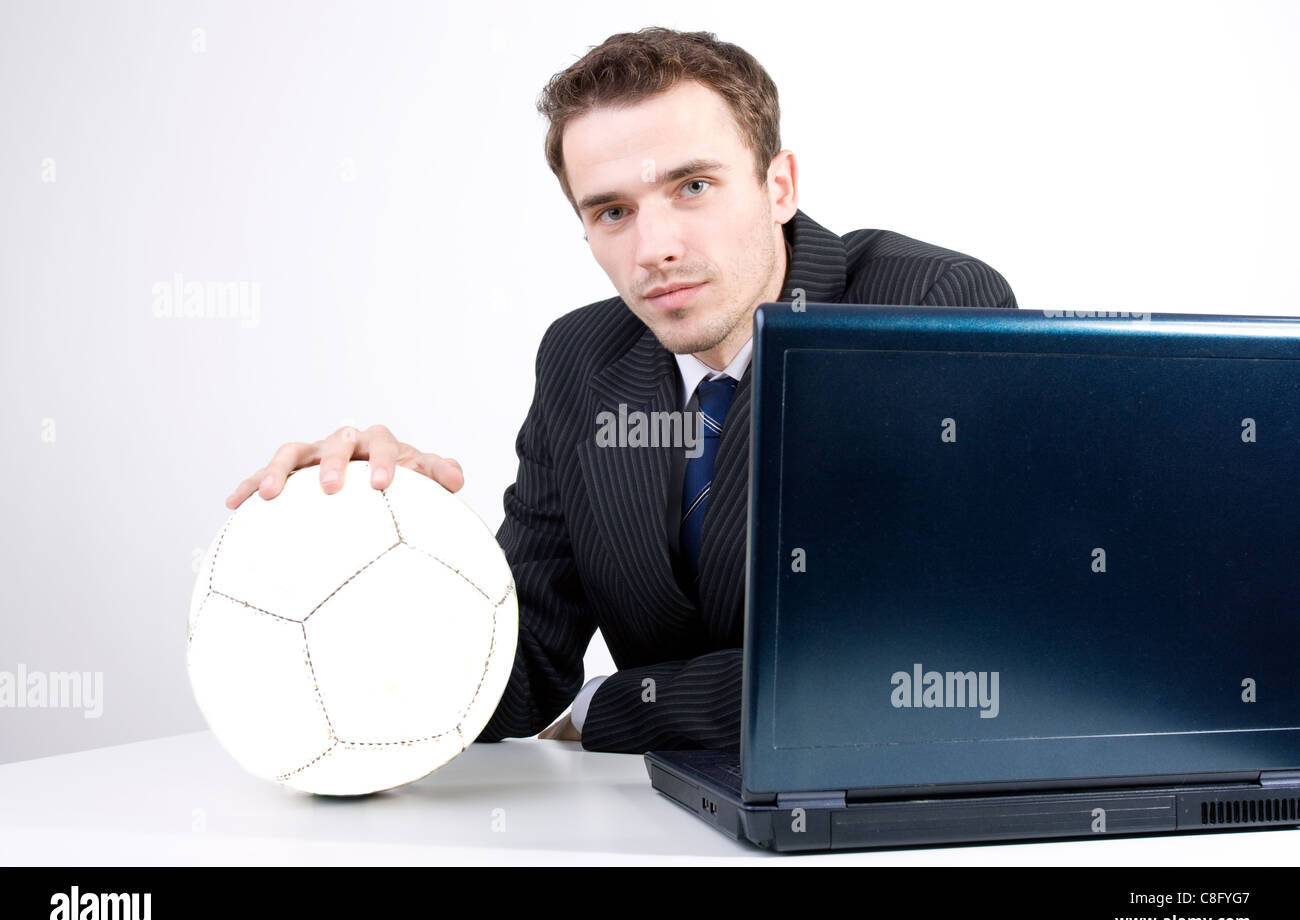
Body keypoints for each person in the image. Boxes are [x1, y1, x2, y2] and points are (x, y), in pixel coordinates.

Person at [225, 27, 1017, 754]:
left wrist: (608, 707)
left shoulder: (929, 308)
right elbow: (519, 681)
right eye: (612, 212)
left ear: (780, 187)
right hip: (647, 832)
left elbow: (921, 672)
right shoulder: (580, 357)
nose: (655, 249)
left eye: (693, 188)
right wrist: (389, 532)